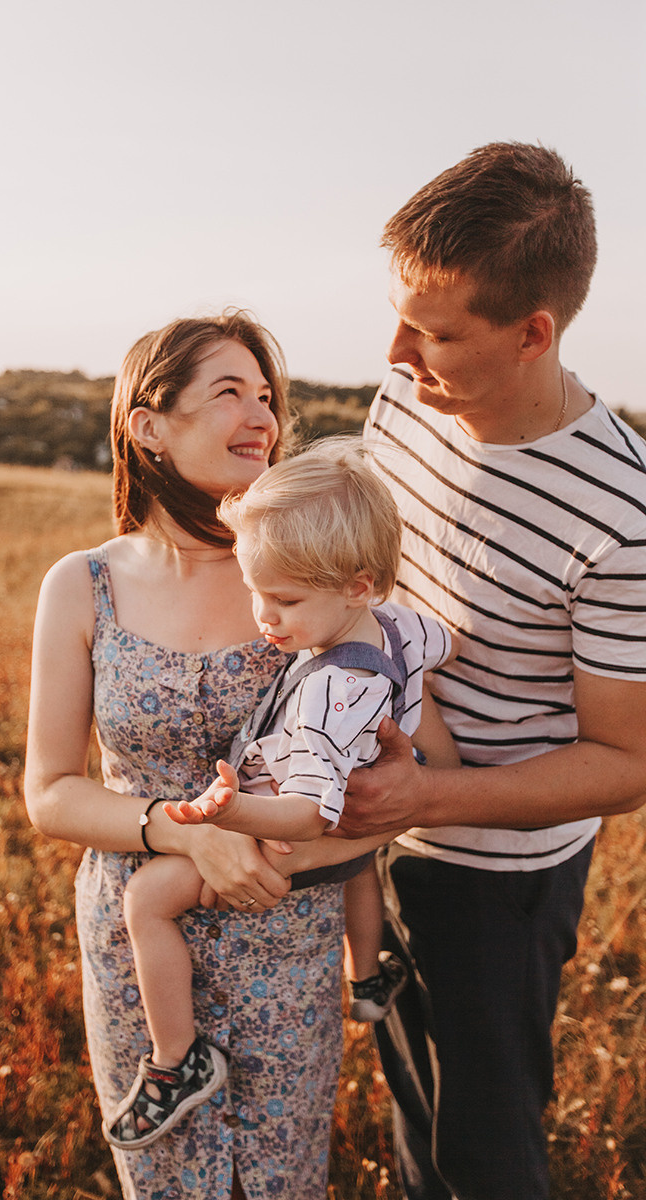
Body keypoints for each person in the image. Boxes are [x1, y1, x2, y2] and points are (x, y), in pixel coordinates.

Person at [24, 312, 439, 1200]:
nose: (262, 416)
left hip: (285, 933)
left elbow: (401, 760)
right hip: (137, 930)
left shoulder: (312, 575)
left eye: (266, 396)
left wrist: (389, 796)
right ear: (148, 427)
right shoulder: (83, 585)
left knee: (280, 1180)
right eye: (228, 393)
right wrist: (183, 834)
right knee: (166, 1183)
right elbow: (51, 793)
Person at [341, 142, 646, 1199]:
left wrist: (429, 793)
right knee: (413, 1110)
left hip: (497, 881)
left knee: (486, 1152)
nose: (392, 353)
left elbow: (621, 762)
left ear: (532, 333)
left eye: (429, 331)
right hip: (372, 828)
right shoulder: (401, 408)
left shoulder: (619, 517)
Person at [108, 440, 457, 1151]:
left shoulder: (333, 688)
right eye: (256, 592)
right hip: (357, 817)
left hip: (286, 829)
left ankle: (178, 1060)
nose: (265, 618)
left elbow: (308, 814)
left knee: (146, 901)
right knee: (361, 868)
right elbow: (442, 643)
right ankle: (366, 977)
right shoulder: (400, 626)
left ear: (359, 584)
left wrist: (226, 814)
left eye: (286, 600)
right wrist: (415, 746)